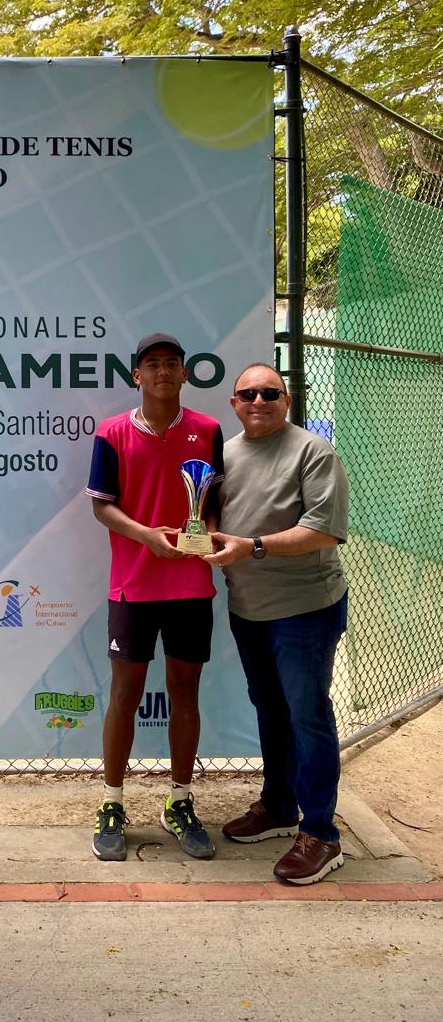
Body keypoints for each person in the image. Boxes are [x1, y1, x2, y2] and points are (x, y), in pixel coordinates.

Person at [205, 362, 349, 886]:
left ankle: (321, 833)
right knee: (270, 708)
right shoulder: (225, 456)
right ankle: (279, 805)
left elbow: (323, 530)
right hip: (249, 610)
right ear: (234, 404)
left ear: (286, 400)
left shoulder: (313, 452)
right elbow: (213, 513)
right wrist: (206, 534)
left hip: (305, 610)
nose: (259, 401)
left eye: (270, 393)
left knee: (308, 715)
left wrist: (253, 546)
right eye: (248, 394)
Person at [87, 333, 223, 861]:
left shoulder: (208, 430)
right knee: (125, 694)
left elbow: (214, 505)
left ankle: (180, 802)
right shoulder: (112, 432)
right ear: (136, 376)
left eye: (171, 363)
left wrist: (206, 536)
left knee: (185, 692)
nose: (162, 371)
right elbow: (102, 506)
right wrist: (145, 535)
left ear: (185, 374)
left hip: (190, 585)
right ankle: (112, 803)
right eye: (152, 364)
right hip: (133, 586)